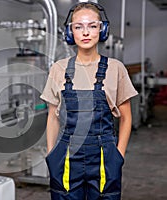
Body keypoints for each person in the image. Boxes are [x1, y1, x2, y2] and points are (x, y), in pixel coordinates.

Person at [40, 2, 138, 200]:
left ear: (102, 30)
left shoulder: (116, 68)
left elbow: (126, 117)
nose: (85, 32)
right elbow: (53, 116)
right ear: (70, 32)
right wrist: (52, 155)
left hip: (104, 156)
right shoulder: (58, 69)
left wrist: (118, 156)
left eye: (92, 26)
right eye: (78, 26)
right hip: (67, 155)